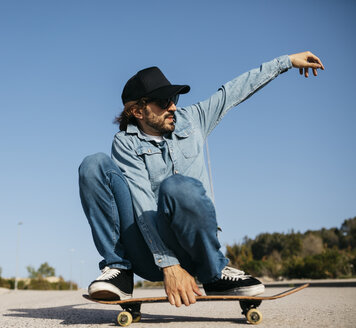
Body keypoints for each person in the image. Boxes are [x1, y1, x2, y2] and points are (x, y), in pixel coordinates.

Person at [78, 52, 324, 307]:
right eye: (163, 102)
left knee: (176, 186)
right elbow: (141, 204)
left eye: (173, 98)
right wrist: (168, 264)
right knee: (93, 164)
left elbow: (233, 91)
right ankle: (119, 270)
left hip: (195, 249)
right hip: (147, 253)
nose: (172, 106)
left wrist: (285, 62)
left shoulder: (192, 120)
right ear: (138, 111)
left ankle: (215, 272)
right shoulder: (125, 143)